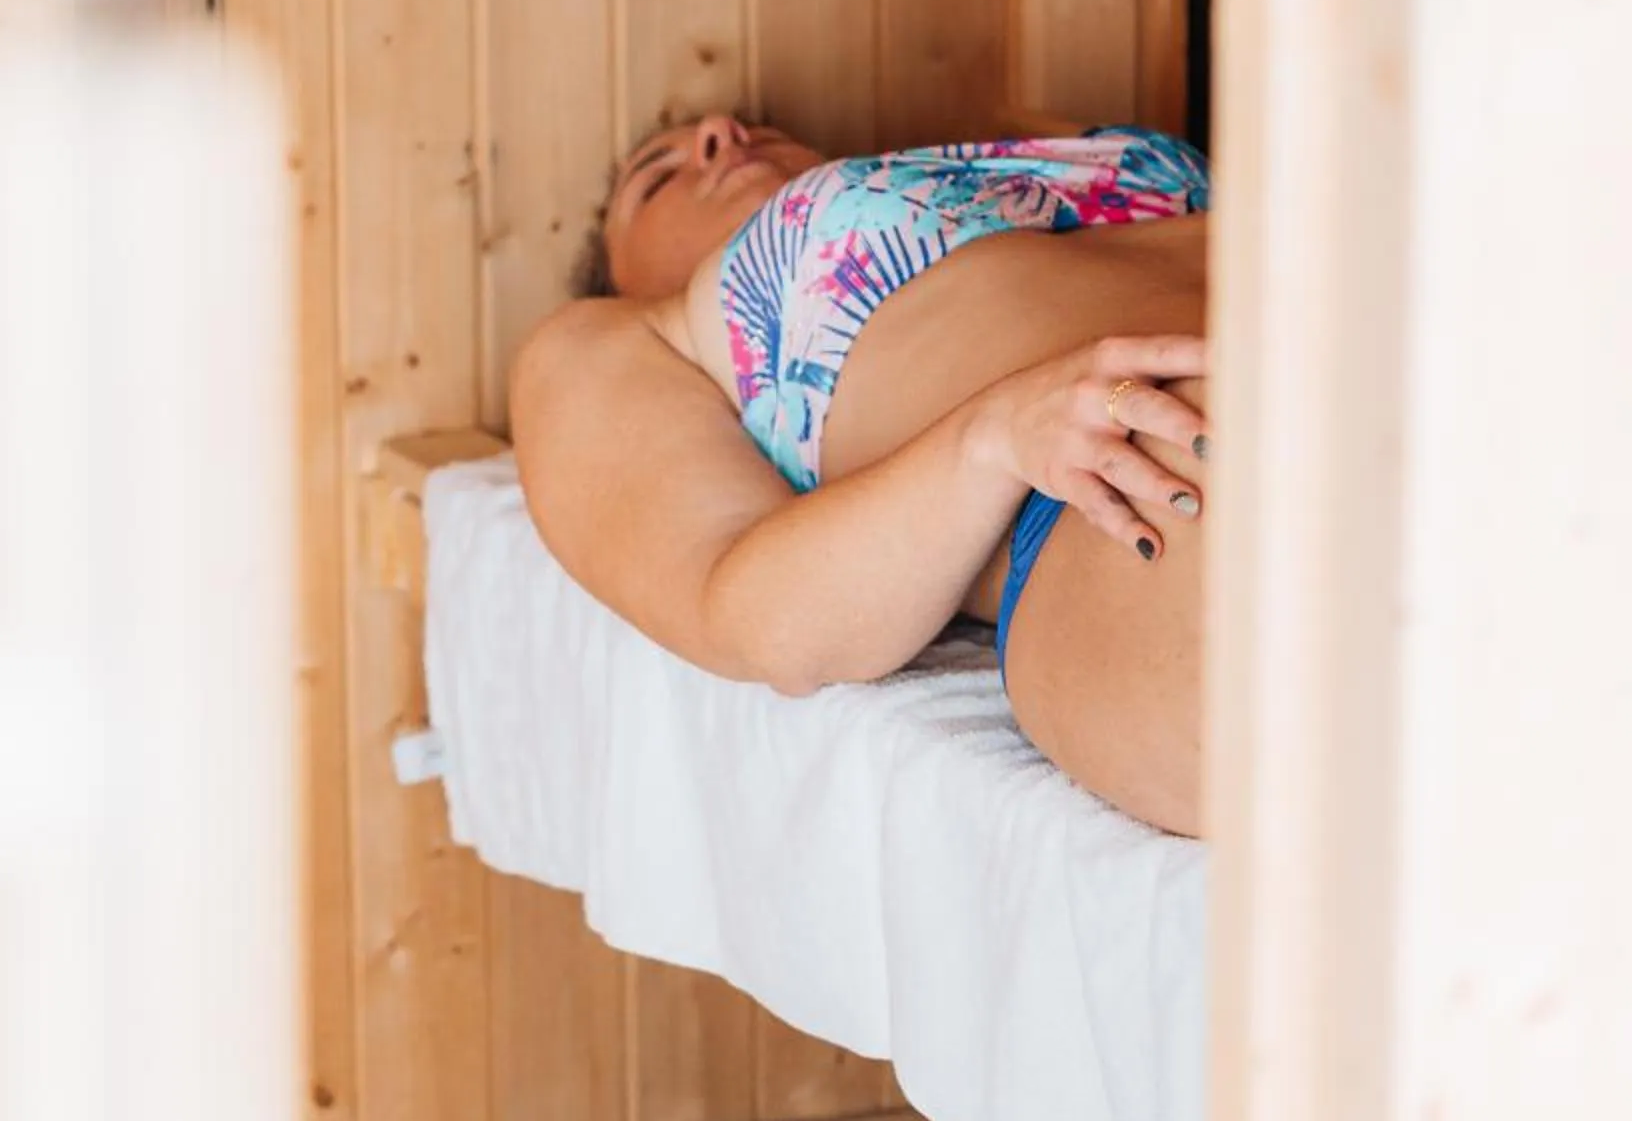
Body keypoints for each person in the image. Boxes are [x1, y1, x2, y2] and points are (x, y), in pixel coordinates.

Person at [511, 112, 1213, 835]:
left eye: (753, 123)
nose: (719, 131)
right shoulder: (626, 337)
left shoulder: (1009, 149)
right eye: (656, 180)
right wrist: (993, 434)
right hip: (1127, 481)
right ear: (622, 277)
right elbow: (767, 624)